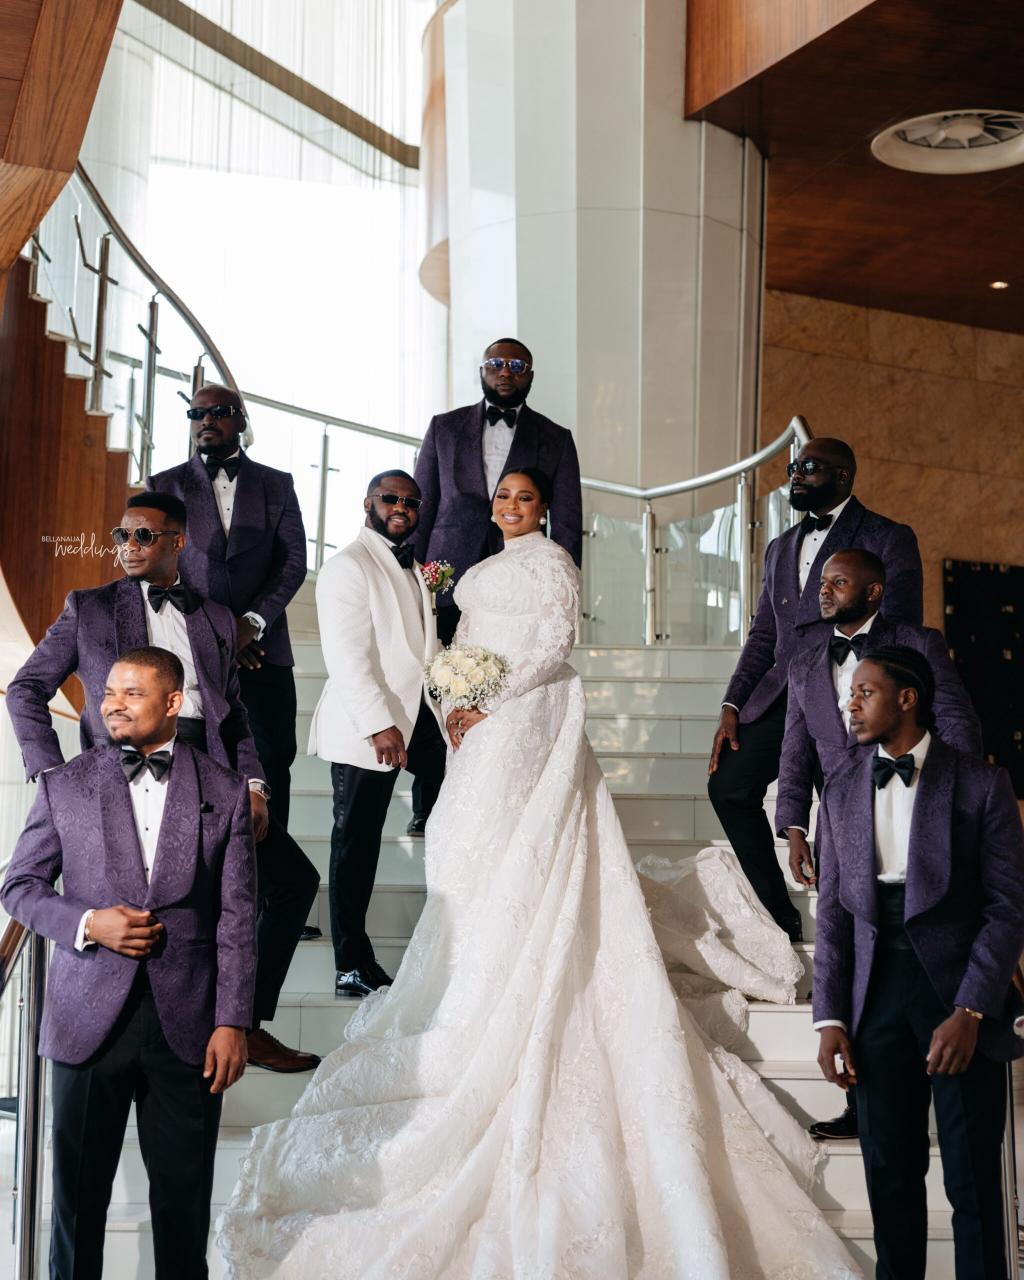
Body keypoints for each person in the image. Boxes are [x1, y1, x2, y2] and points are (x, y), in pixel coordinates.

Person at [216, 467, 860, 1280]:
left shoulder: (554, 563)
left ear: (544, 508)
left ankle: (529, 956)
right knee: (464, 842)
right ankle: (479, 966)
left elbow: (555, 644)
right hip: (475, 721)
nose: (511, 506)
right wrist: (453, 696)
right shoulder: (473, 565)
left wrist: (489, 698)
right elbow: (454, 643)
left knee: (522, 845)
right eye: (503, 497)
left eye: (524, 497)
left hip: (526, 717)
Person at [6, 492, 319, 1073]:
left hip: (211, 777)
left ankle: (244, 1023)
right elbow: (26, 689)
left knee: (294, 882)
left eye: (143, 536)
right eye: (121, 536)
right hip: (123, 771)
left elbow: (234, 716)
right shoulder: (89, 608)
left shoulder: (215, 618)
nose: (128, 546)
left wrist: (254, 785)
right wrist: (52, 775)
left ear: (178, 542)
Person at [1, 648, 257, 1280]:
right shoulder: (65, 784)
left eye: (131, 694)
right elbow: (20, 886)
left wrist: (233, 1021)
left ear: (173, 702)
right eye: (109, 692)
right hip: (86, 1023)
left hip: (189, 1028)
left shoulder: (224, 791)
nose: (112, 704)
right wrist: (90, 924)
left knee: (183, 1209)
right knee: (76, 1208)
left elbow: (237, 917)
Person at [813, 646, 1024, 1280]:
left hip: (958, 995)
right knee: (890, 1175)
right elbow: (834, 914)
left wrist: (971, 1010)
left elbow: (1007, 907)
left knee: (972, 1182)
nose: (851, 704)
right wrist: (830, 1018)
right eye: (850, 694)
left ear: (907, 699)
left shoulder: (980, 784)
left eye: (865, 692)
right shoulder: (841, 787)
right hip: (874, 996)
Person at [778, 548, 983, 1142]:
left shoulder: (918, 643)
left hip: (917, 810)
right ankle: (862, 1102)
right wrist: (794, 825)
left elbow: (958, 722)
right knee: (853, 953)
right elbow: (795, 750)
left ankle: (942, 1085)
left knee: (924, 945)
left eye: (838, 582)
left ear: (872, 592)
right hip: (841, 822)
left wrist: (948, 799)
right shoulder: (804, 662)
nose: (824, 590)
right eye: (821, 582)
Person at [708, 437, 923, 941]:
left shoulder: (888, 536)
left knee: (847, 816)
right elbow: (763, 633)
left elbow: (902, 627)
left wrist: (873, 702)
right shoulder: (780, 546)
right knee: (729, 786)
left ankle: (857, 930)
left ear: (843, 476)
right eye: (792, 467)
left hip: (848, 692)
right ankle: (778, 915)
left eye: (809, 466)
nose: (796, 475)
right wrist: (733, 702)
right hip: (783, 692)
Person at [310, 469, 447, 997]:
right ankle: (350, 963)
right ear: (368, 503)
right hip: (369, 726)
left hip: (421, 719)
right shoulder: (347, 567)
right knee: (356, 843)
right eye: (390, 499)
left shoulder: (415, 568)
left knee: (459, 805)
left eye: (411, 501)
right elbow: (347, 658)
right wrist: (378, 725)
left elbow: (423, 650)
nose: (401, 508)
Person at [146, 383, 307, 830]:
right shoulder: (164, 485)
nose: (206, 421)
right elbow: (158, 567)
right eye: (197, 414)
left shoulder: (277, 484)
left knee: (273, 758)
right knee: (197, 760)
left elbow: (293, 561)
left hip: (263, 651)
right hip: (192, 650)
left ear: (241, 420)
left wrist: (253, 622)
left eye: (218, 412)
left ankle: (269, 869)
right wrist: (217, 630)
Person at [413, 338, 583, 644]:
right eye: (495, 364)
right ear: (482, 371)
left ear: (530, 375)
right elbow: (421, 508)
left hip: (522, 586)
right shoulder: (444, 428)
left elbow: (567, 525)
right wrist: (410, 578)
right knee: (438, 666)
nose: (505, 372)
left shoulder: (556, 438)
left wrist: (563, 591)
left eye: (517, 366)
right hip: (445, 577)